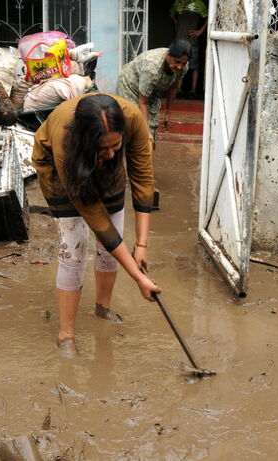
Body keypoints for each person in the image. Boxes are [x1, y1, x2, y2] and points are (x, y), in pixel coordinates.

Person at [32, 93, 161, 358]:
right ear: (86, 143)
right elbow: (95, 218)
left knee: (111, 246)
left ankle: (102, 308)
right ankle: (66, 334)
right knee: (74, 249)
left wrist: (142, 244)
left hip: (107, 170)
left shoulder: (133, 119)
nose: (112, 152)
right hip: (59, 169)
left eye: (117, 145)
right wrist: (139, 278)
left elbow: (143, 179)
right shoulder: (64, 142)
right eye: (104, 148)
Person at [116, 40, 191, 144]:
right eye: (176, 62)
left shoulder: (184, 66)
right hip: (130, 86)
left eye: (183, 63)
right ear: (168, 55)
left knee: (152, 126)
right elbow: (143, 102)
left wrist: (168, 113)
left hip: (151, 91)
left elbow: (174, 87)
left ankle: (145, 156)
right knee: (134, 124)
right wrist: (146, 132)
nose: (180, 67)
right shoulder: (152, 67)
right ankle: (128, 154)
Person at [170, 0, 208, 99]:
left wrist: (200, 31)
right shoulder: (177, 3)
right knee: (178, 64)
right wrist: (176, 24)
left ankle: (193, 90)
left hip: (192, 41)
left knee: (194, 66)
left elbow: (209, 18)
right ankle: (178, 89)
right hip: (179, 39)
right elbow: (171, 13)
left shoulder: (199, 3)